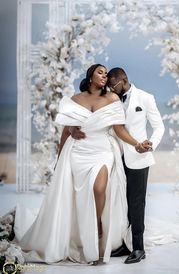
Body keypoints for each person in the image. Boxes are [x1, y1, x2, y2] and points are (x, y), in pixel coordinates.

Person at [13, 64, 151, 265]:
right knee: (78, 194)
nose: (105, 76)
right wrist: (60, 158)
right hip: (79, 151)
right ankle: (83, 232)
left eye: (106, 74)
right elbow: (66, 131)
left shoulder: (111, 98)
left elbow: (119, 129)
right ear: (90, 76)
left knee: (99, 187)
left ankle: (96, 225)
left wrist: (137, 144)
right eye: (100, 72)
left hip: (102, 150)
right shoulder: (74, 100)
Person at [70, 67, 165, 264]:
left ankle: (138, 248)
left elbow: (159, 126)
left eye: (113, 84)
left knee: (136, 203)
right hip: (112, 154)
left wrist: (150, 145)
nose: (111, 87)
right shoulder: (110, 97)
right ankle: (123, 242)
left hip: (138, 157)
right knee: (119, 201)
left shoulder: (145, 98)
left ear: (124, 79)